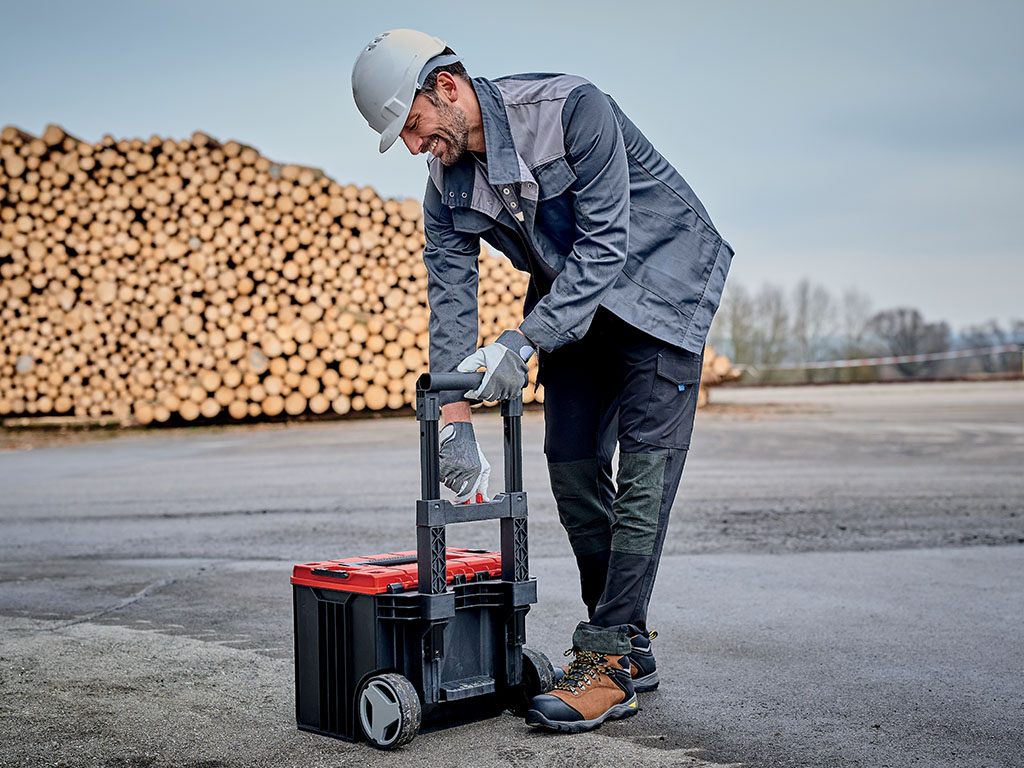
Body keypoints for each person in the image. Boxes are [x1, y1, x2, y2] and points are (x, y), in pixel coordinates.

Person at [352, 29, 733, 733]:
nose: (413, 147)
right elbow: (452, 301)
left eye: (412, 126)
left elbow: (607, 244)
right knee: (572, 466)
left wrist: (522, 342)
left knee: (645, 477)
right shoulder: (445, 189)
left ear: (446, 87)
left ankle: (610, 658)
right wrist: (454, 423)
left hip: (660, 284)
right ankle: (628, 644)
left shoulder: (569, 109)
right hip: (574, 304)